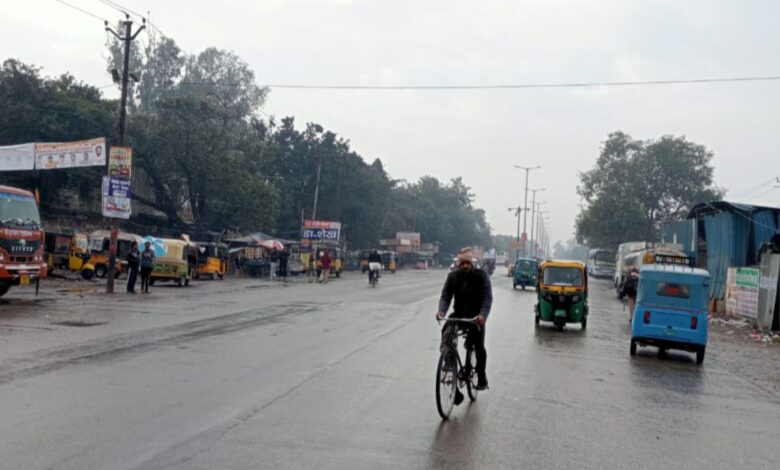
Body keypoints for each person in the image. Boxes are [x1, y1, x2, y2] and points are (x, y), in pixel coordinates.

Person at [436, 247, 493, 397]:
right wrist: (441, 311)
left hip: (476, 318)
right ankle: (449, 365)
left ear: (472, 262)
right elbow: (445, 296)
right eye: (462, 263)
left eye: (468, 263)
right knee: (447, 334)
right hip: (459, 315)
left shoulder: (481, 276)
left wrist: (483, 315)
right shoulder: (452, 277)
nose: (465, 266)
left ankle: (481, 375)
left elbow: (487, 298)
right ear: (458, 264)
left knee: (479, 346)